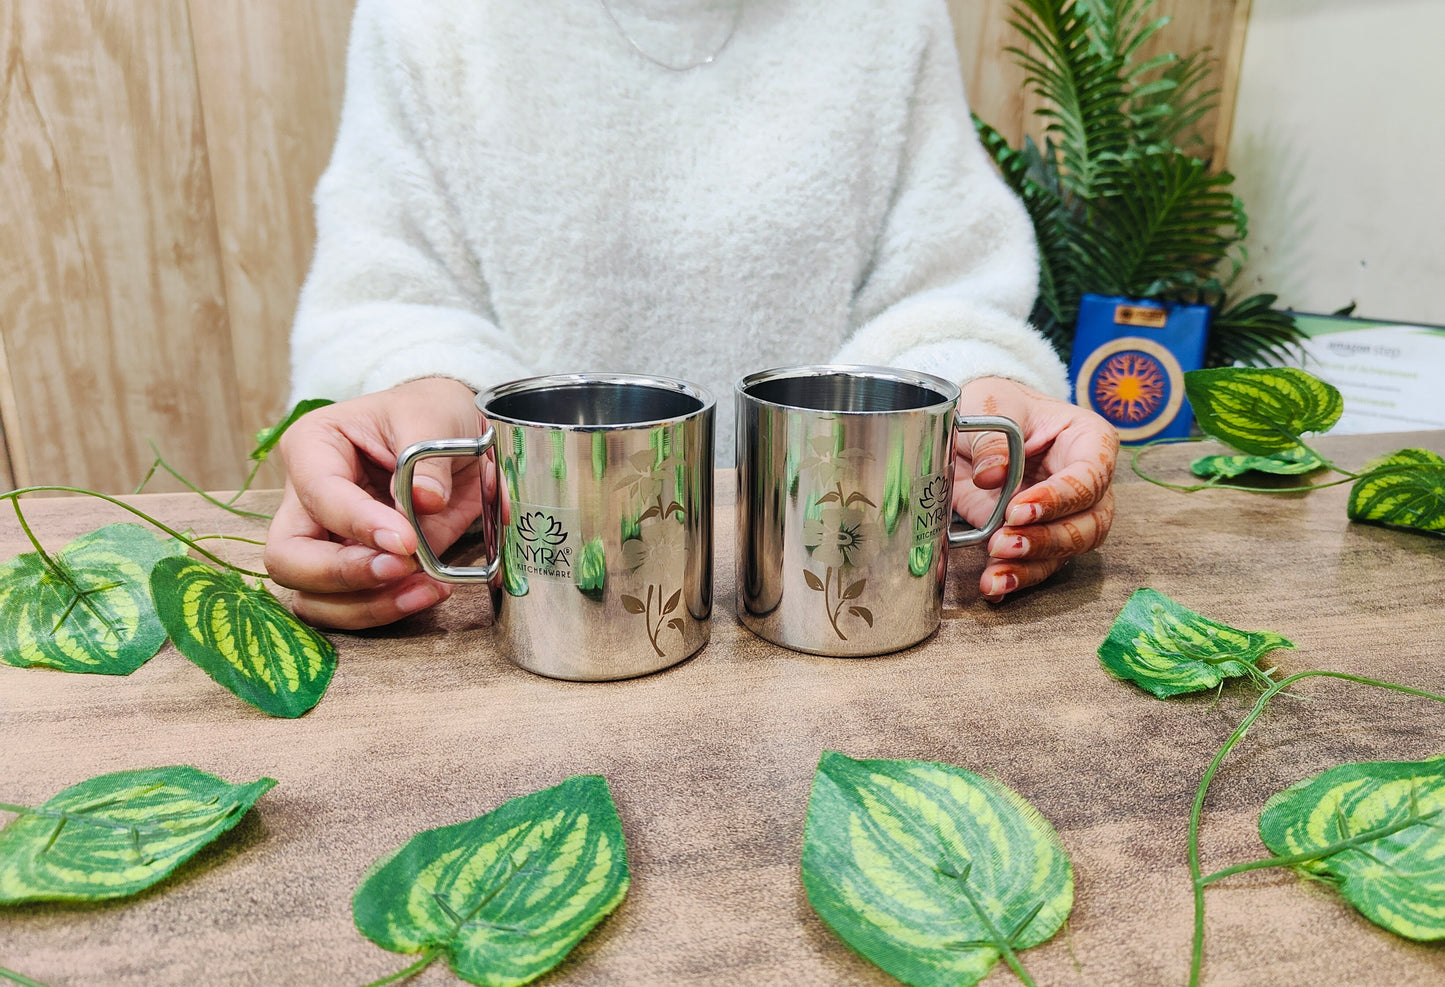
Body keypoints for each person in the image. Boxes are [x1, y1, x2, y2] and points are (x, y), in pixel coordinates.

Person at [264, 0, 1118, 630]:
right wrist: (413, 401)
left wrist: (980, 397)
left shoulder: (889, 19)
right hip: (544, 607)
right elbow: (391, 293)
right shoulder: (427, 21)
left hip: (838, 600)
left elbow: (945, 285)